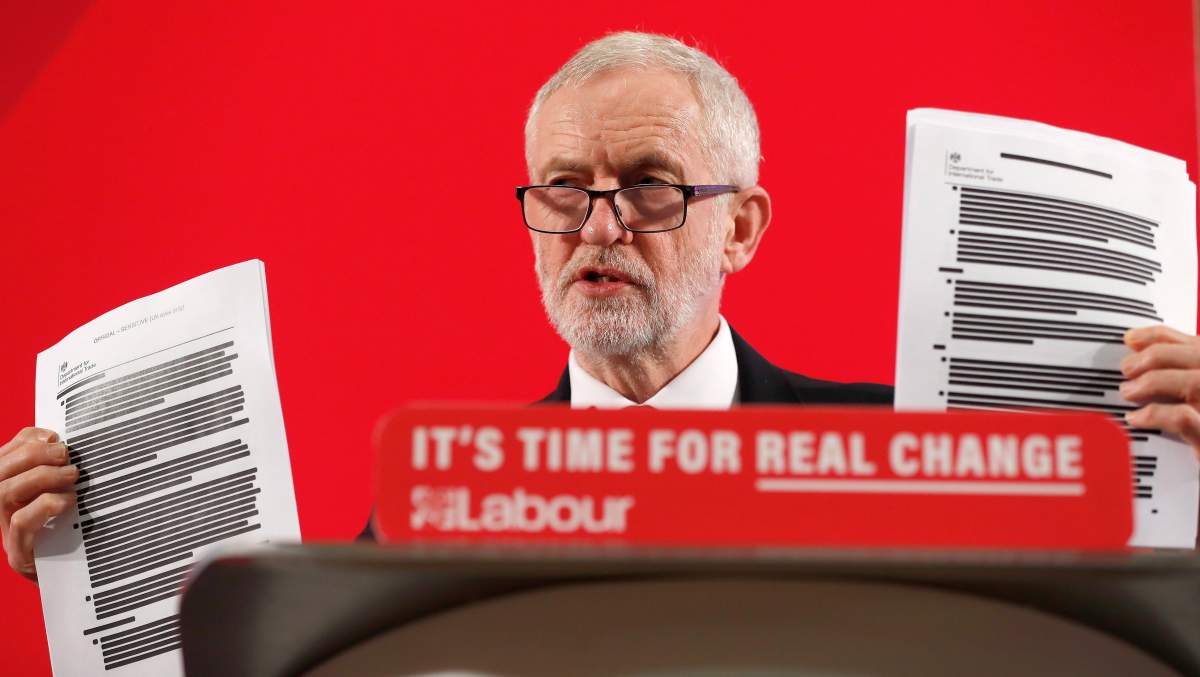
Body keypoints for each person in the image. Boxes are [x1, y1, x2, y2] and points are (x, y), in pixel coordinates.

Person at [5, 32, 1200, 576]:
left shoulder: (912, 458)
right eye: (564, 190)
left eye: (649, 187)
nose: (598, 226)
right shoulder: (417, 530)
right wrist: (78, 546)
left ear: (742, 224)